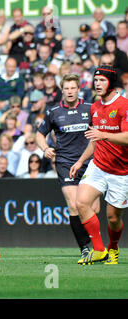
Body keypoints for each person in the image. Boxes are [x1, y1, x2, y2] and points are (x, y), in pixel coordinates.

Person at [70, 66, 128, 265]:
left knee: (113, 218)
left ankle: (113, 246)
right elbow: (94, 140)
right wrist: (80, 161)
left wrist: (104, 135)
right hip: (98, 165)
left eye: (102, 80)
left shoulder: (123, 106)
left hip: (121, 171)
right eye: (96, 81)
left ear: (111, 83)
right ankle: (99, 249)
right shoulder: (94, 107)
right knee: (81, 203)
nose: (97, 84)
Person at [36, 73, 97, 259]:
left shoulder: (90, 108)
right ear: (62, 90)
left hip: (91, 163)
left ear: (79, 89)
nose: (70, 91)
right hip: (65, 162)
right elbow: (39, 134)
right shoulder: (53, 112)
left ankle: (96, 245)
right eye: (67, 88)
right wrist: (45, 148)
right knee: (74, 204)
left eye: (73, 88)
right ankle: (85, 248)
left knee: (93, 209)